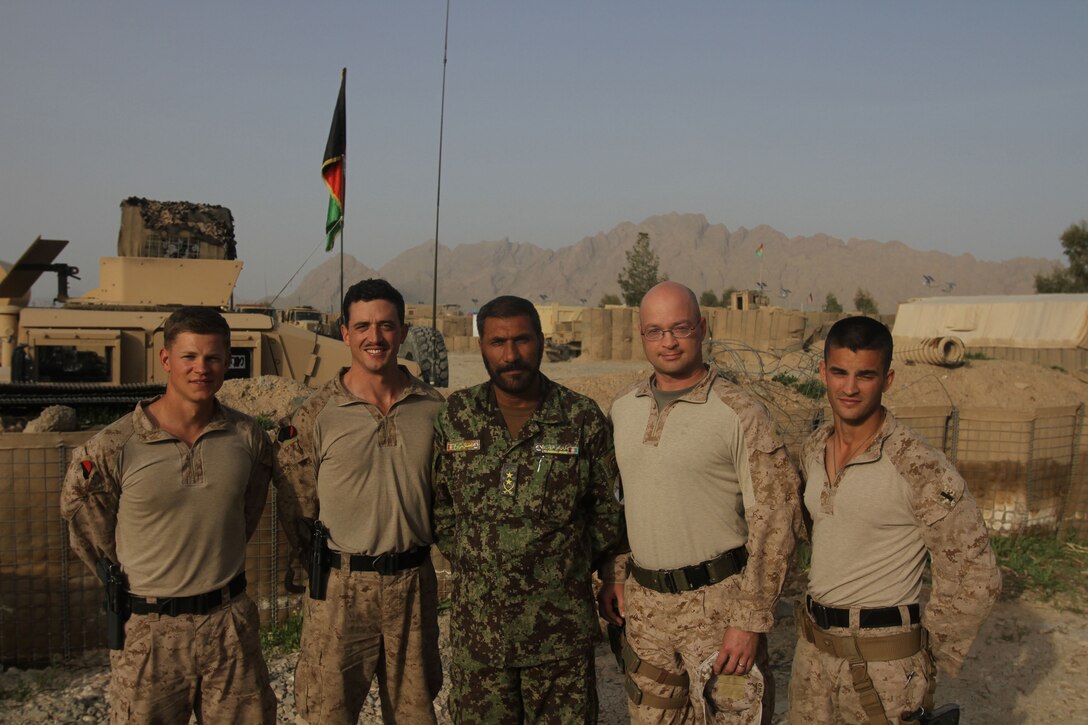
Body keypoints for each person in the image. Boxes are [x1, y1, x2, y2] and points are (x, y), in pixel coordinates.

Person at [59, 306, 276, 724]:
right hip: (149, 633)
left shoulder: (247, 437)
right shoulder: (114, 447)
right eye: (189, 357)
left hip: (228, 624)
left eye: (213, 357)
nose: (202, 368)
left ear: (228, 361)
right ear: (166, 360)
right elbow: (91, 533)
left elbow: (246, 510)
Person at [599, 280, 801, 724]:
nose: (668, 341)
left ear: (702, 328)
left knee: (730, 711)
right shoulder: (623, 409)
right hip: (647, 613)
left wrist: (748, 622)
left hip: (719, 614)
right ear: (642, 336)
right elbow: (613, 505)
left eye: (680, 328)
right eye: (655, 331)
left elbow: (775, 522)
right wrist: (615, 575)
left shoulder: (739, 412)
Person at [788, 316, 1001, 724]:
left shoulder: (917, 465)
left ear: (887, 379)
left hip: (882, 668)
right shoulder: (815, 448)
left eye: (865, 376)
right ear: (823, 373)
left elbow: (976, 573)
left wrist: (925, 651)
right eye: (839, 373)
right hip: (813, 655)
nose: (849, 388)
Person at [432, 294, 625, 723]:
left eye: (522, 340)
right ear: (481, 346)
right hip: (480, 639)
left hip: (559, 640)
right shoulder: (457, 416)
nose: (511, 354)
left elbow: (606, 513)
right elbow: (441, 509)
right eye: (498, 342)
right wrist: (482, 557)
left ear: (541, 341)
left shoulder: (579, 417)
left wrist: (559, 561)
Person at [274, 278, 444, 724]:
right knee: (329, 713)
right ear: (344, 334)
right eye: (363, 326)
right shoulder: (316, 414)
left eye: (387, 325)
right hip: (339, 589)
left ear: (403, 332)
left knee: (416, 714)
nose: (376, 337)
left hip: (412, 585)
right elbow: (297, 503)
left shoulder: (433, 408)